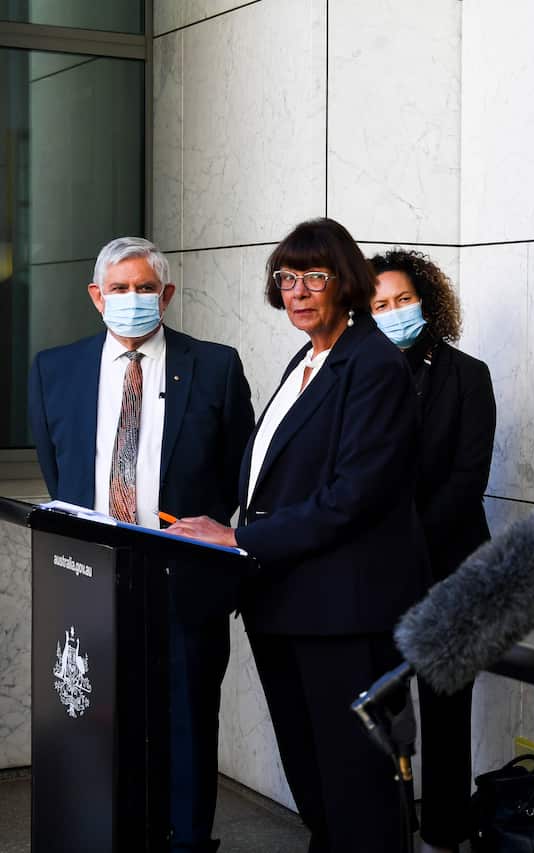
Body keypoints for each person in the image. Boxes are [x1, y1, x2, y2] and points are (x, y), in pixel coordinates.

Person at [168, 218, 427, 853]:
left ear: (347, 282)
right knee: (314, 780)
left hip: (344, 612)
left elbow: (351, 497)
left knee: (356, 788)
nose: (298, 292)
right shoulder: (308, 358)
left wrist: (239, 539)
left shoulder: (374, 363)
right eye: (286, 279)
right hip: (285, 601)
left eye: (315, 276)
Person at [28, 236, 255, 852]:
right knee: (91, 716)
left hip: (185, 577)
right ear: (96, 296)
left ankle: (186, 843)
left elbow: (237, 471)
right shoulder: (55, 369)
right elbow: (60, 470)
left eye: (145, 288)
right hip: (88, 577)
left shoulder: (214, 366)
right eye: (120, 288)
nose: (133, 298)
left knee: (187, 722)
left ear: (167, 294)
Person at [368, 248, 496, 853]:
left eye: (403, 299)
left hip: (449, 565)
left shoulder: (468, 375)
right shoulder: (355, 375)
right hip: (371, 568)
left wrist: (407, 542)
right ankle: (386, 830)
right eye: (379, 305)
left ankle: (445, 833)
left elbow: (468, 479)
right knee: (381, 709)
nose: (394, 312)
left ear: (426, 301)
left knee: (447, 710)